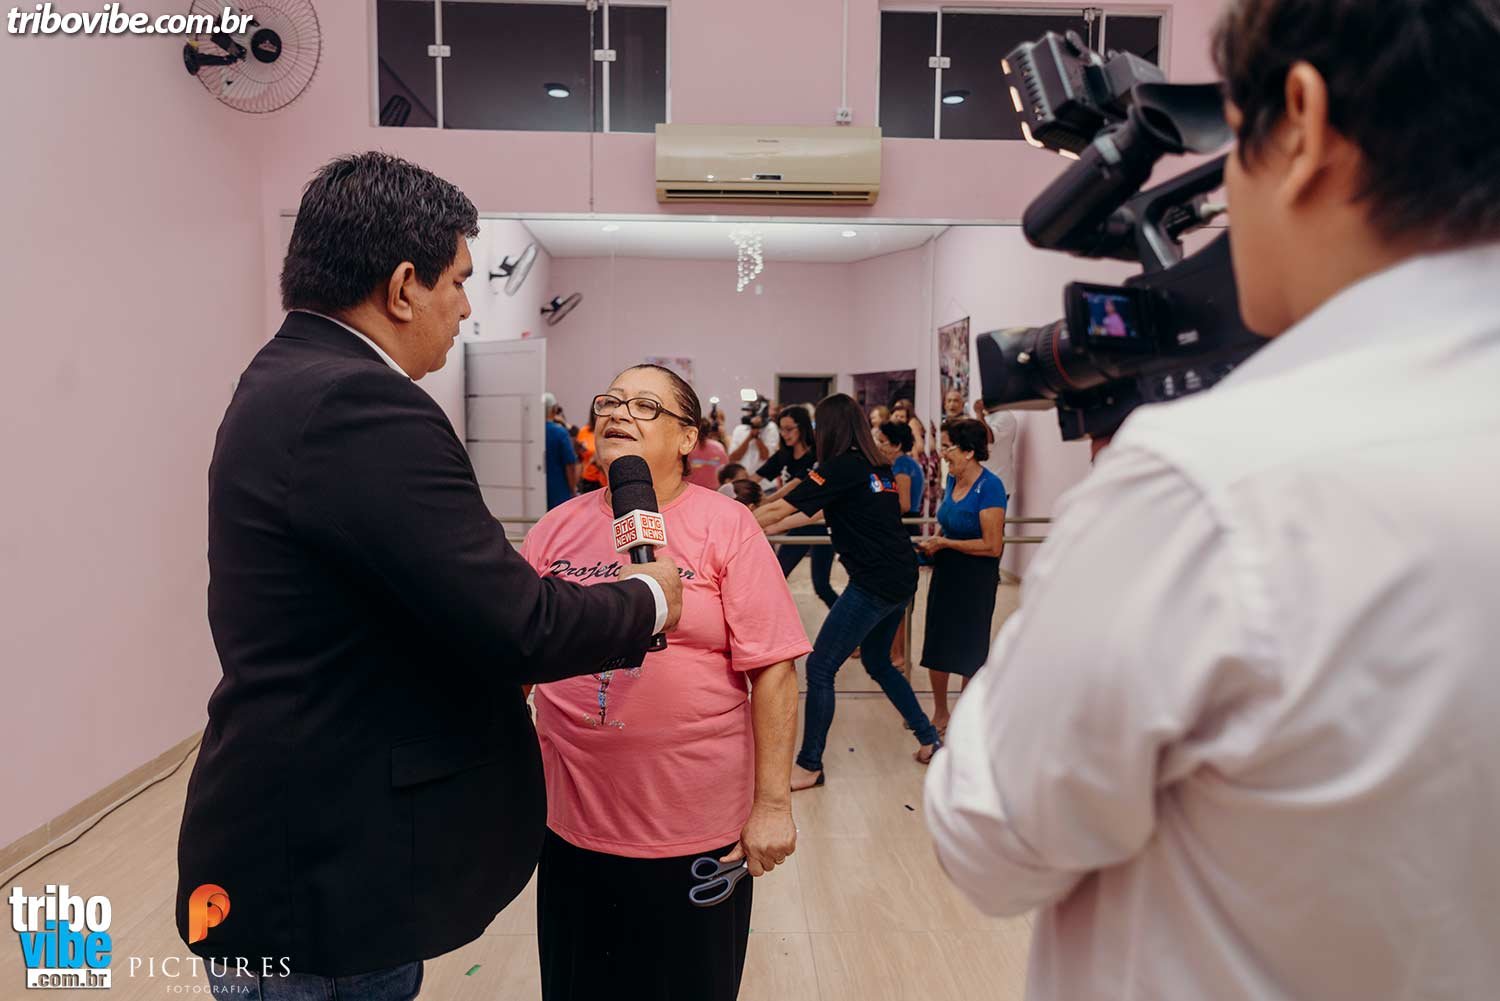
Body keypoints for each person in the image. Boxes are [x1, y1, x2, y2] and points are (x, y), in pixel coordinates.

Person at [926, 2, 1500, 999]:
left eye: (1236, 146)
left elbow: (988, 842)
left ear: (1303, 122)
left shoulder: (1211, 487)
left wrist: (1091, 554)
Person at [177, 152, 684, 1000]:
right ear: (404, 286)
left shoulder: (284, 377)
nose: (467, 307)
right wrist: (652, 596)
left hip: (307, 838)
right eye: (459, 281)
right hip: (323, 863)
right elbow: (516, 623)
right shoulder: (358, 403)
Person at [522, 364, 810, 1001]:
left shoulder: (727, 525)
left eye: (645, 405)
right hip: (571, 824)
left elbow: (773, 669)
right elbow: (516, 658)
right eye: (611, 401)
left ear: (687, 438)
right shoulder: (554, 527)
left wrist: (772, 806)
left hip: (693, 832)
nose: (618, 412)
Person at [756, 394, 943, 788]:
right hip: (901, 577)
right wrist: (769, 527)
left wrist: (732, 523)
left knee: (821, 667)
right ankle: (929, 740)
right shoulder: (876, 466)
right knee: (877, 662)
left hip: (874, 582)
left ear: (830, 429)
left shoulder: (841, 467)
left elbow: (783, 507)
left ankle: (810, 765)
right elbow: (825, 510)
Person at [916, 419, 1006, 735]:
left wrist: (945, 543)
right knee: (937, 644)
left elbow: (992, 546)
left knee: (970, 647)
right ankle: (940, 712)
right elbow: (949, 520)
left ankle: (965, 716)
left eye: (947, 447)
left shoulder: (990, 486)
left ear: (968, 451)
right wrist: (936, 541)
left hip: (976, 577)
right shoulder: (953, 479)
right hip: (946, 572)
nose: (942, 454)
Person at [761, 405, 839, 611]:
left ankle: (851, 622)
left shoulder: (817, 457)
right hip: (798, 521)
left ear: (802, 428)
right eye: (781, 429)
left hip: (816, 523)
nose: (784, 434)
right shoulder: (783, 455)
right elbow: (758, 476)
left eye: (789, 429)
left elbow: (795, 487)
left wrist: (766, 505)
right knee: (777, 577)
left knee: (821, 585)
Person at [873, 420, 925, 671]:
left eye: (883, 442)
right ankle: (892, 651)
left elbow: (903, 503)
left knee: (901, 600)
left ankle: (900, 654)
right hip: (899, 528)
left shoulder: (903, 465)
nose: (879, 445)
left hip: (904, 529)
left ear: (896, 445)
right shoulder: (899, 464)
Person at [976, 399, 1019, 506]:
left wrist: (979, 414)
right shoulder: (988, 417)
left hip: (997, 484)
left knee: (991, 517)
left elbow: (987, 438)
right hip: (983, 482)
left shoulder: (1005, 416)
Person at [544, 392, 577, 509]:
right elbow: (570, 465)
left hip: (540, 493)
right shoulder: (560, 432)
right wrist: (573, 490)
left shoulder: (534, 433)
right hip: (559, 494)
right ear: (554, 409)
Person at [685, 416, 729, 489]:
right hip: (713, 490)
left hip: (691, 489)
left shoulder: (687, 447)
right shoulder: (718, 447)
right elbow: (725, 470)